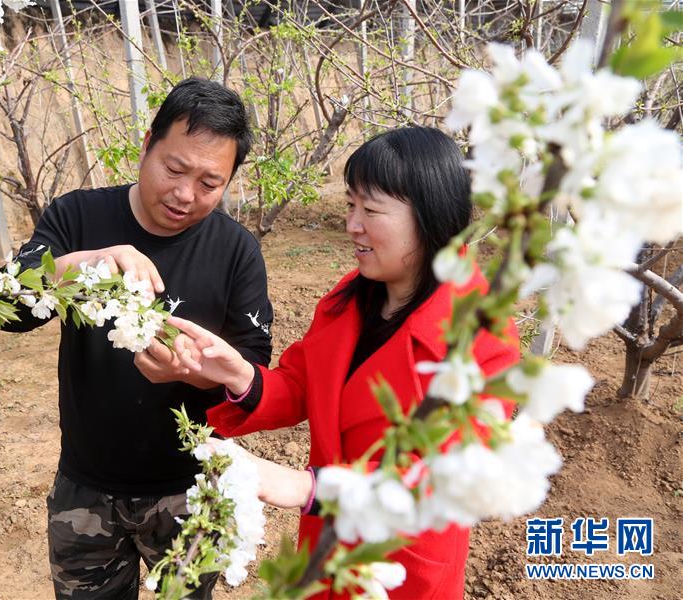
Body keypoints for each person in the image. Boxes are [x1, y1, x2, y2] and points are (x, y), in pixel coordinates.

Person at [167, 127, 520, 599]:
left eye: (371, 210)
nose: (353, 224)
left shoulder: (479, 336)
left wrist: (309, 488)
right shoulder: (349, 300)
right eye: (351, 205)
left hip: (400, 564)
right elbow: (302, 386)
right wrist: (238, 374)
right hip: (328, 550)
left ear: (431, 217)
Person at [0, 77, 273, 599]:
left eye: (211, 183)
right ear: (146, 144)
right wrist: (82, 264)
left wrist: (192, 368)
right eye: (174, 168)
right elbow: (3, 309)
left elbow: (253, 369)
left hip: (190, 491)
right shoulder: (78, 216)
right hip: (86, 487)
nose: (186, 194)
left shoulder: (236, 251)